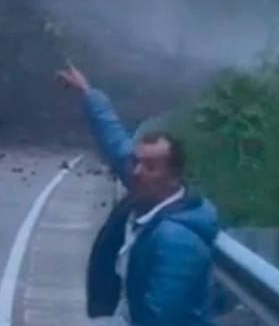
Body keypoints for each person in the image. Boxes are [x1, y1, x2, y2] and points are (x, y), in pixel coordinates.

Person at [57, 63, 218, 326]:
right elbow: (116, 144)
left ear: (173, 176)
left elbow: (164, 318)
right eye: (136, 162)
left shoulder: (176, 240)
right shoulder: (150, 194)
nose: (136, 171)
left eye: (150, 166)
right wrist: (88, 94)